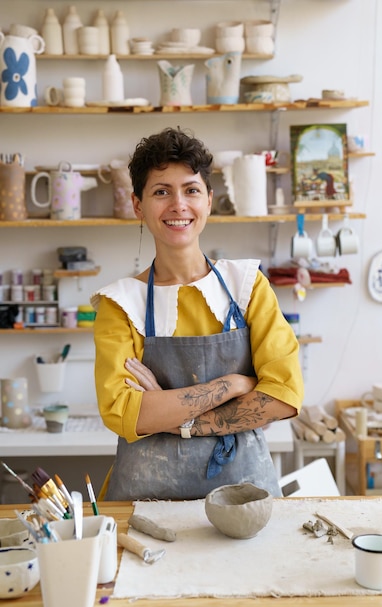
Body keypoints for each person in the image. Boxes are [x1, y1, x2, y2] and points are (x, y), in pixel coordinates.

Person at [91, 127, 304, 501]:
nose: (178, 205)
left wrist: (179, 421)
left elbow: (284, 395)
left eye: (191, 190)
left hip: (245, 502)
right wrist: (233, 385)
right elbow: (124, 414)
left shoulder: (248, 286)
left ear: (209, 199)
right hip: (145, 505)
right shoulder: (120, 304)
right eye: (161, 192)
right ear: (138, 206)